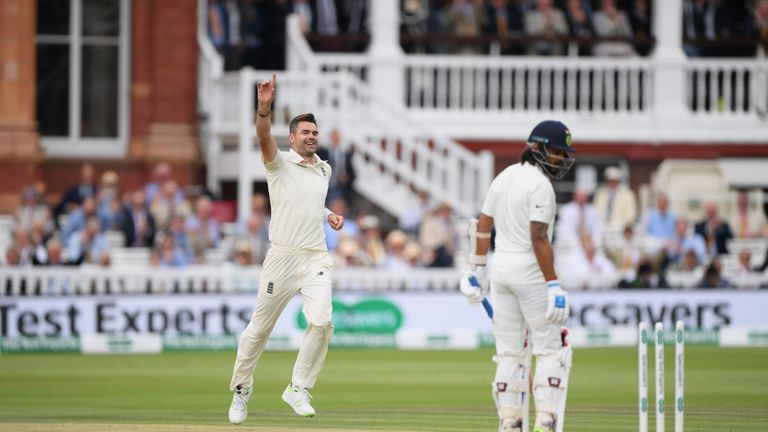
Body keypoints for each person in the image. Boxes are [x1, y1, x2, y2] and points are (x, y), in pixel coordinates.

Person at [228, 73, 345, 424]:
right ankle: (240, 391)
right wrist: (264, 108)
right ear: (292, 138)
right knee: (258, 330)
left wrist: (328, 216)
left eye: (314, 133)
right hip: (282, 257)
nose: (311, 137)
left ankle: (298, 387)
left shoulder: (323, 169)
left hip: (315, 256)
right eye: (305, 133)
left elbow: (307, 202)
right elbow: (263, 135)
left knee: (322, 322)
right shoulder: (278, 163)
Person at [460, 120, 574, 432]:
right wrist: (554, 284)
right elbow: (539, 236)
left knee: (509, 352)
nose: (562, 160)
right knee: (552, 346)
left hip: (502, 272)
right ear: (538, 148)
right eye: (558, 153)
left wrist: (478, 270)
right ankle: (547, 420)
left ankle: (511, 422)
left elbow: (482, 226)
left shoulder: (504, 176)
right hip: (529, 271)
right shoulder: (541, 186)